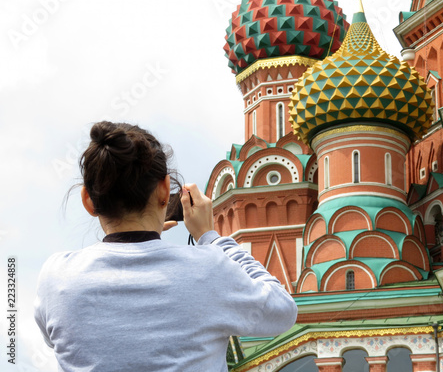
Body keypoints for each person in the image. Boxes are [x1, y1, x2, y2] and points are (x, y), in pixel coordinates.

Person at [34, 121, 298, 372]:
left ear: (88, 200)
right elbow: (283, 311)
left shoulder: (56, 277)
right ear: (164, 190)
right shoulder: (208, 267)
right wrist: (212, 238)